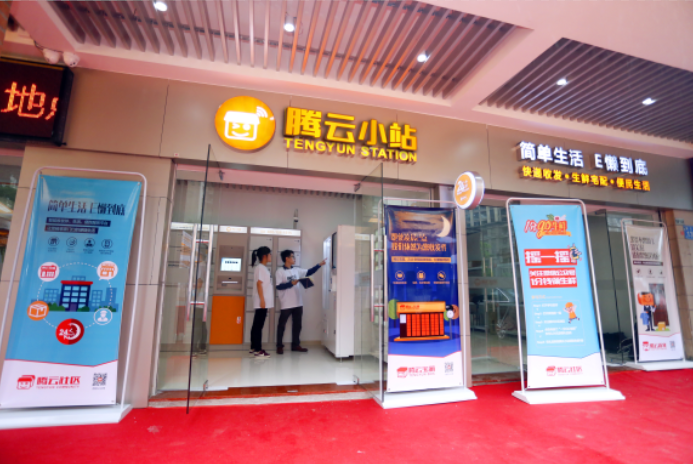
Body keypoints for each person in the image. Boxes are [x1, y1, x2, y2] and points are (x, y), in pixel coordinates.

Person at [275, 250, 325, 354]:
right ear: (286, 258)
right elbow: (278, 286)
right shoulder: (279, 271)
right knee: (281, 325)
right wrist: (291, 283)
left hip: (298, 303)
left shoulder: (296, 270)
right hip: (286, 303)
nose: (294, 258)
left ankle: (295, 345)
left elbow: (309, 272)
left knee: (297, 325)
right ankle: (279, 346)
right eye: (292, 257)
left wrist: (319, 265)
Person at [250, 246, 273, 358]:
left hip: (262, 300)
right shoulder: (261, 268)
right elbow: (259, 284)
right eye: (270, 254)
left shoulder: (261, 268)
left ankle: (254, 347)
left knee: (256, 324)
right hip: (261, 301)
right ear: (265, 256)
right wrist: (262, 300)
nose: (271, 256)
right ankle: (258, 350)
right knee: (258, 326)